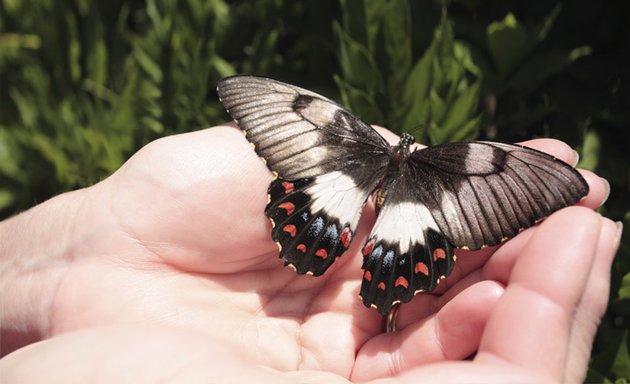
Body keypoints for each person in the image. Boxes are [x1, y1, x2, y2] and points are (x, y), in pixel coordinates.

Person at [0, 124, 620, 383]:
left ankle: (368, 263)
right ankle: (384, 275)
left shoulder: (345, 131)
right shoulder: (452, 163)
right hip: (394, 216)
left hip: (369, 206)